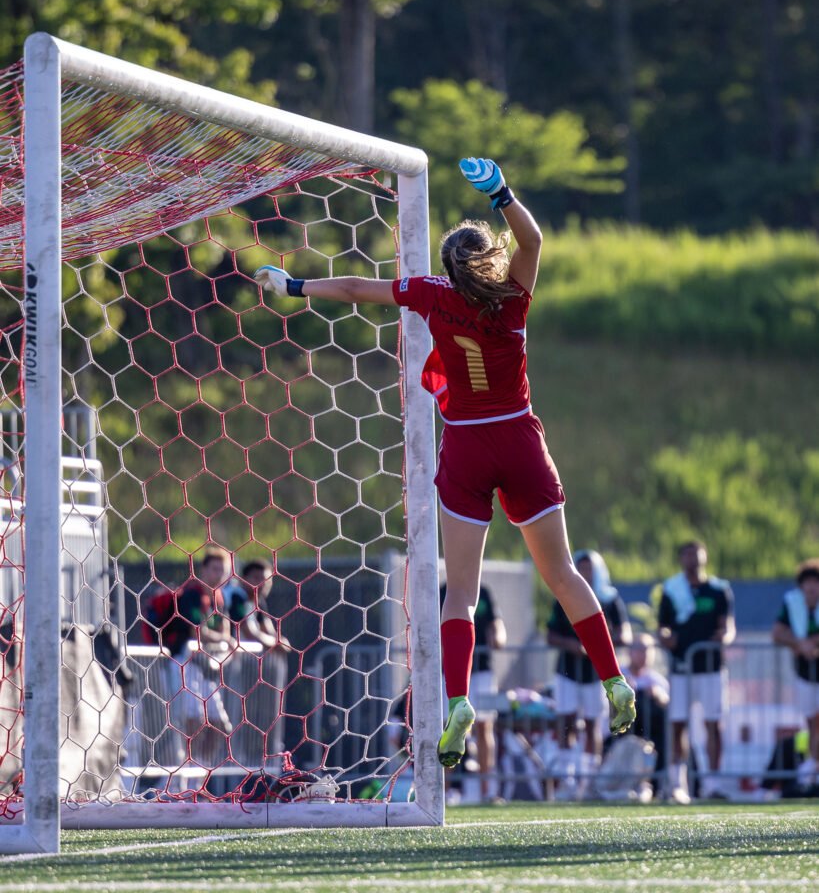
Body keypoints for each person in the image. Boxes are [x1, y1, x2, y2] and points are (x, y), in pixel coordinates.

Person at [254, 157, 636, 770]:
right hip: (518, 438)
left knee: (459, 592)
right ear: (491, 259)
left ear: (449, 264)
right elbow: (534, 239)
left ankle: (456, 699)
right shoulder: (513, 297)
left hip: (464, 444)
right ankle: (614, 680)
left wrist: (294, 285)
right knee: (562, 571)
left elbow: (355, 289)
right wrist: (501, 193)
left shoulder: (430, 292)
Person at [547, 550, 631, 797]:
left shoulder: (610, 599)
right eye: (580, 567)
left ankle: (589, 780)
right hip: (568, 671)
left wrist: (599, 642)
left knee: (593, 724)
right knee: (567, 721)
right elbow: (550, 633)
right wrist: (573, 645)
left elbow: (625, 634)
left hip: (597, 674)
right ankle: (567, 781)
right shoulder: (564, 595)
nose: (585, 573)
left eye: (589, 568)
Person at [657, 540, 735, 802]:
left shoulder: (718, 590)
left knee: (713, 724)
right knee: (678, 725)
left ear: (705, 556)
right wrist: (666, 637)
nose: (692, 558)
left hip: (711, 668)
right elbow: (663, 626)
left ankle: (713, 783)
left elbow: (727, 627)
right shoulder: (672, 589)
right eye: (687, 553)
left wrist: (723, 638)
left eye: (696, 553)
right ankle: (677, 784)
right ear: (681, 559)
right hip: (681, 669)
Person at [162, 544, 237, 765]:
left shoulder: (219, 598)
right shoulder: (191, 595)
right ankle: (186, 769)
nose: (220, 575)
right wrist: (225, 639)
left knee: (220, 724)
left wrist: (225, 638)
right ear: (203, 570)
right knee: (192, 720)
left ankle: (201, 768)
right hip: (184, 663)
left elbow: (225, 629)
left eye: (223, 570)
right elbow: (197, 631)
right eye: (215, 569)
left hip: (205, 667)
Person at [440, 581, 506, 802]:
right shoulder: (441, 591)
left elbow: (497, 627)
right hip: (450, 674)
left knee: (484, 727)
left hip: (482, 672)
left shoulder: (483, 591)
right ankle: (444, 791)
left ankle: (488, 791)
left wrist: (498, 637)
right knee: (448, 728)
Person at [222, 559, 293, 765]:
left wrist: (277, 642)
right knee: (225, 722)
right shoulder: (236, 596)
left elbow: (270, 634)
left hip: (245, 672)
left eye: (266, 580)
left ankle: (246, 768)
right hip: (225, 669)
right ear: (243, 579)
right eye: (256, 578)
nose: (261, 584)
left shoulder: (258, 601)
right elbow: (249, 632)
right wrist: (275, 644)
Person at [772, 559, 819, 791]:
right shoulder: (792, 603)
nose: (812, 588)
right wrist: (799, 644)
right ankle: (813, 769)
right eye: (808, 583)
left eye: (816, 583)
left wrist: (813, 642)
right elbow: (778, 633)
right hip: (806, 674)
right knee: (813, 724)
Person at [623, 632, 670, 789]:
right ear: (630, 652)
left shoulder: (657, 680)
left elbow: (666, 702)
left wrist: (657, 695)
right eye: (640, 649)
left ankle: (657, 784)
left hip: (652, 734)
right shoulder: (620, 675)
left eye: (648, 650)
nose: (644, 654)